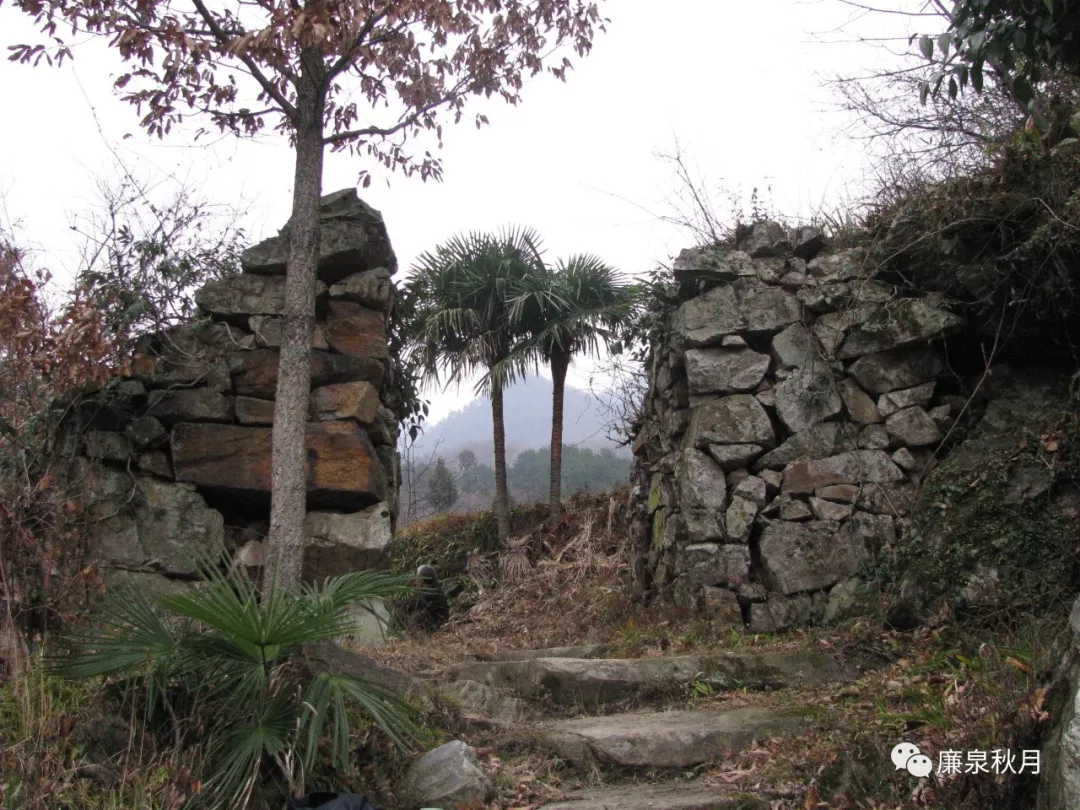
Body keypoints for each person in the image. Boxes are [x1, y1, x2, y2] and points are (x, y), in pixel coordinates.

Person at [395, 564, 450, 632]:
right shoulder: (434, 590)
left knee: (415, 613)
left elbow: (413, 603)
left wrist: (394, 603)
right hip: (435, 625)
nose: (415, 580)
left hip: (434, 627)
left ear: (421, 579)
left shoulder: (432, 592)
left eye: (417, 577)